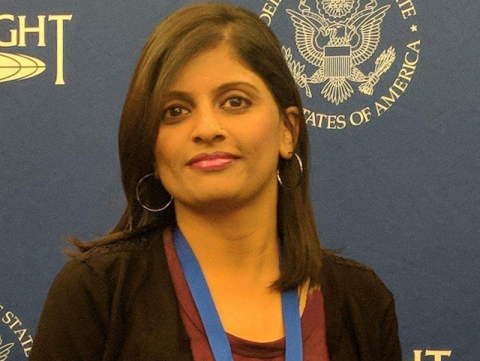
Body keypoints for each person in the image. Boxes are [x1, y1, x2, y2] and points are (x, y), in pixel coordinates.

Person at [30, 2, 402, 361]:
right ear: (151, 147)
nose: (207, 129)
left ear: (287, 131)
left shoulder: (363, 302)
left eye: (235, 101)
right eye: (175, 111)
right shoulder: (96, 294)